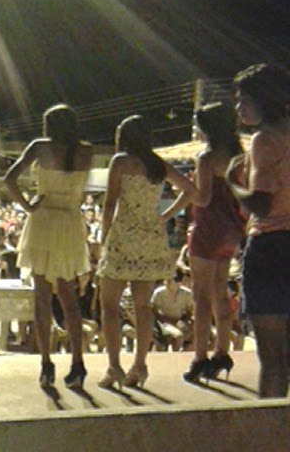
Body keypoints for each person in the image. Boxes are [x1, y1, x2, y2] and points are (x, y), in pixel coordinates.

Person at [97, 115, 195, 389]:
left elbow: (110, 203)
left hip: (123, 235)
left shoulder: (120, 161)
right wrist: (164, 216)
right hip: (150, 237)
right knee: (143, 306)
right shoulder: (157, 165)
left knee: (109, 305)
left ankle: (114, 366)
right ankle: (140, 364)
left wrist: (104, 236)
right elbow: (190, 190)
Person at [4, 104, 93, 388]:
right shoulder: (86, 151)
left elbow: (9, 179)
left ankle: (46, 363)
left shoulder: (40, 147)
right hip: (69, 222)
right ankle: (78, 362)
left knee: (41, 297)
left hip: (43, 220)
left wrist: (27, 205)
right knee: (69, 297)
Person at [163, 102, 246, 382]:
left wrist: (186, 185)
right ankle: (222, 351)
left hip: (208, 228)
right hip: (231, 228)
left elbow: (203, 198)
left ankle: (200, 357)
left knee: (200, 297)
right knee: (221, 292)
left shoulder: (207, 157)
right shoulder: (238, 156)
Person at [226, 63, 290, 398]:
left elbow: (260, 204)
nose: (238, 108)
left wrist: (232, 183)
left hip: (271, 247)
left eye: (243, 100)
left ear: (263, 100)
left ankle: (268, 424)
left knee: (273, 359)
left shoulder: (263, 140)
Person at [151, 272, 194, 351]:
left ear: (178, 283)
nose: (166, 283)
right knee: (178, 336)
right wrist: (173, 322)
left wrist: (183, 321)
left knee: (198, 335)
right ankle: (175, 355)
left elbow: (189, 310)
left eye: (169, 281)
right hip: (164, 322)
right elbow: (154, 312)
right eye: (165, 281)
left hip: (181, 321)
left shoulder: (187, 294)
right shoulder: (159, 293)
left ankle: (185, 352)